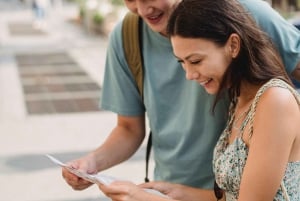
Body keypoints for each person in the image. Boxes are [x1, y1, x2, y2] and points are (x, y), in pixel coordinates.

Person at [62, 0, 300, 199]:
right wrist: (177, 192)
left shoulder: (274, 101)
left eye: (195, 61)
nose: (188, 75)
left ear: (233, 45)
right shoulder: (239, 101)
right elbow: (231, 196)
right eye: (181, 62)